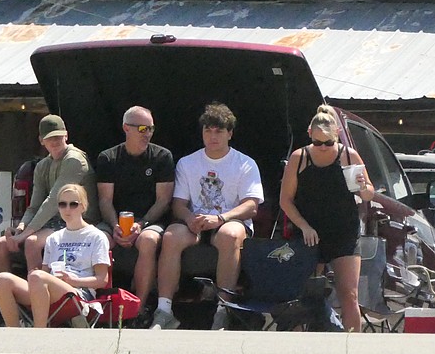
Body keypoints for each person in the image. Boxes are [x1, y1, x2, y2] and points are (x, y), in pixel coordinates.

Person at [151, 102, 263, 331]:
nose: (213, 136)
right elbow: (179, 204)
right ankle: (164, 310)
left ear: (229, 133)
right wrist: (190, 218)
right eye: (208, 130)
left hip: (230, 222)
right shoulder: (187, 163)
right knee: (171, 235)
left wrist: (221, 219)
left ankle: (223, 309)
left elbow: (251, 206)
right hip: (195, 222)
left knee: (229, 235)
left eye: (219, 131)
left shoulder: (245, 164)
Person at [279, 104, 375, 332]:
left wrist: (363, 186)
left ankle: (353, 352)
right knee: (303, 294)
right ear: (309, 134)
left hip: (344, 231)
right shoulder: (299, 157)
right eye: (318, 142)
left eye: (328, 143)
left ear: (337, 137)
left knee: (349, 294)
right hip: (309, 232)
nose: (323, 147)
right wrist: (304, 226)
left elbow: (368, 193)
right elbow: (285, 200)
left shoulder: (348, 156)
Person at [0, 114, 97, 277]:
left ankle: (37, 294)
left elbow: (53, 202)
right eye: (50, 138)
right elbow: (34, 206)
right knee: (0, 244)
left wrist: (24, 235)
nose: (55, 142)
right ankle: (2, 297)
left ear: (66, 136)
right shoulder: (43, 165)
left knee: (31, 242)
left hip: (78, 220)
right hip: (53, 221)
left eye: (58, 137)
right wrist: (20, 227)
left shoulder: (74, 160)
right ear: (42, 140)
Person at [0, 183, 110, 328]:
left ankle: (40, 332)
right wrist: (35, 275)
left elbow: (102, 280)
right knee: (2, 279)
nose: (67, 209)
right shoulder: (54, 238)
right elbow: (44, 274)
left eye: (73, 204)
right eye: (62, 204)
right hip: (48, 289)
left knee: (38, 277)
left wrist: (73, 280)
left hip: (78, 292)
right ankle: (15, 332)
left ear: (83, 206)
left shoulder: (96, 236)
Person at [95, 105, 175, 310]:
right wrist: (115, 226)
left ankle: (137, 308)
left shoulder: (162, 157)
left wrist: (141, 224)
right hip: (115, 220)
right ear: (126, 128)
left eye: (150, 129)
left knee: (148, 241)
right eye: (142, 129)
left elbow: (163, 200)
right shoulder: (108, 158)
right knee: (97, 239)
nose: (147, 134)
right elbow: (105, 200)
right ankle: (96, 304)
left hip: (149, 221)